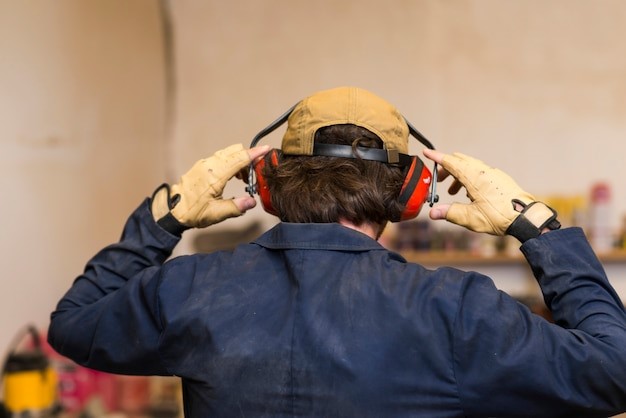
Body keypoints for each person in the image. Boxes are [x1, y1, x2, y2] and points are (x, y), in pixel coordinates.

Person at [48, 87, 626, 417]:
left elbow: (73, 325)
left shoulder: (189, 290)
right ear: (409, 191)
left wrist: (161, 219)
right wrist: (540, 228)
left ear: (268, 183)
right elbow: (613, 371)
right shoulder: (455, 309)